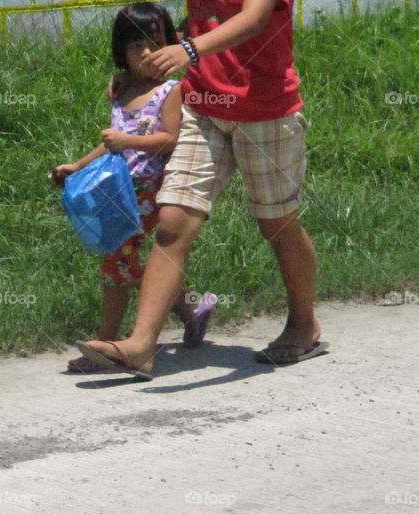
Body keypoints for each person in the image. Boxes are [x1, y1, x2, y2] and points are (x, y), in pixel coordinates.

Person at [78, 0, 327, 379]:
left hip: (266, 111)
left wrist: (189, 49)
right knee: (173, 222)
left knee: (276, 223)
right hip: (203, 108)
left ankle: (303, 325)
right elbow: (199, 21)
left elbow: (253, 19)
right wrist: (144, 69)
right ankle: (141, 345)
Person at [51, 2, 216, 375]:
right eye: (135, 46)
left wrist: (128, 141)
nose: (146, 53)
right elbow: (111, 142)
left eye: (154, 43)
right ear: (121, 51)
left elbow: (170, 140)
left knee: (121, 266)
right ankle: (193, 311)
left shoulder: (170, 90)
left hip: (150, 192)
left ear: (170, 44)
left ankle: (106, 342)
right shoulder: (122, 91)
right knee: (128, 265)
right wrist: (77, 166)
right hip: (118, 193)